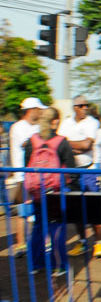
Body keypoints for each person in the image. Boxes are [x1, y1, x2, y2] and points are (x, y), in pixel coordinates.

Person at [23, 107, 74, 276]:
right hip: (56, 192)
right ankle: (58, 265)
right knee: (57, 228)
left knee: (38, 227)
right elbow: (71, 171)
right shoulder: (61, 142)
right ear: (55, 122)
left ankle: (34, 264)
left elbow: (27, 166)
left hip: (37, 192)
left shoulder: (32, 141)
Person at [58, 95, 101, 258]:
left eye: (87, 105)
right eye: (81, 105)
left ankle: (99, 243)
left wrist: (70, 145)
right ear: (74, 107)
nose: (85, 107)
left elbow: (87, 145)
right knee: (75, 209)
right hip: (72, 171)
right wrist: (75, 147)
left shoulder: (92, 122)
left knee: (93, 207)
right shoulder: (66, 123)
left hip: (89, 170)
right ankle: (83, 242)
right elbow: (60, 145)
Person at [6, 97, 46, 258]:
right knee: (23, 211)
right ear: (32, 110)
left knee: (40, 209)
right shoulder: (18, 127)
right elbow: (27, 145)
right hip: (22, 175)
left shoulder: (36, 126)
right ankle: (20, 244)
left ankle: (40, 241)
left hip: (37, 175)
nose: (41, 112)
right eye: (39, 109)